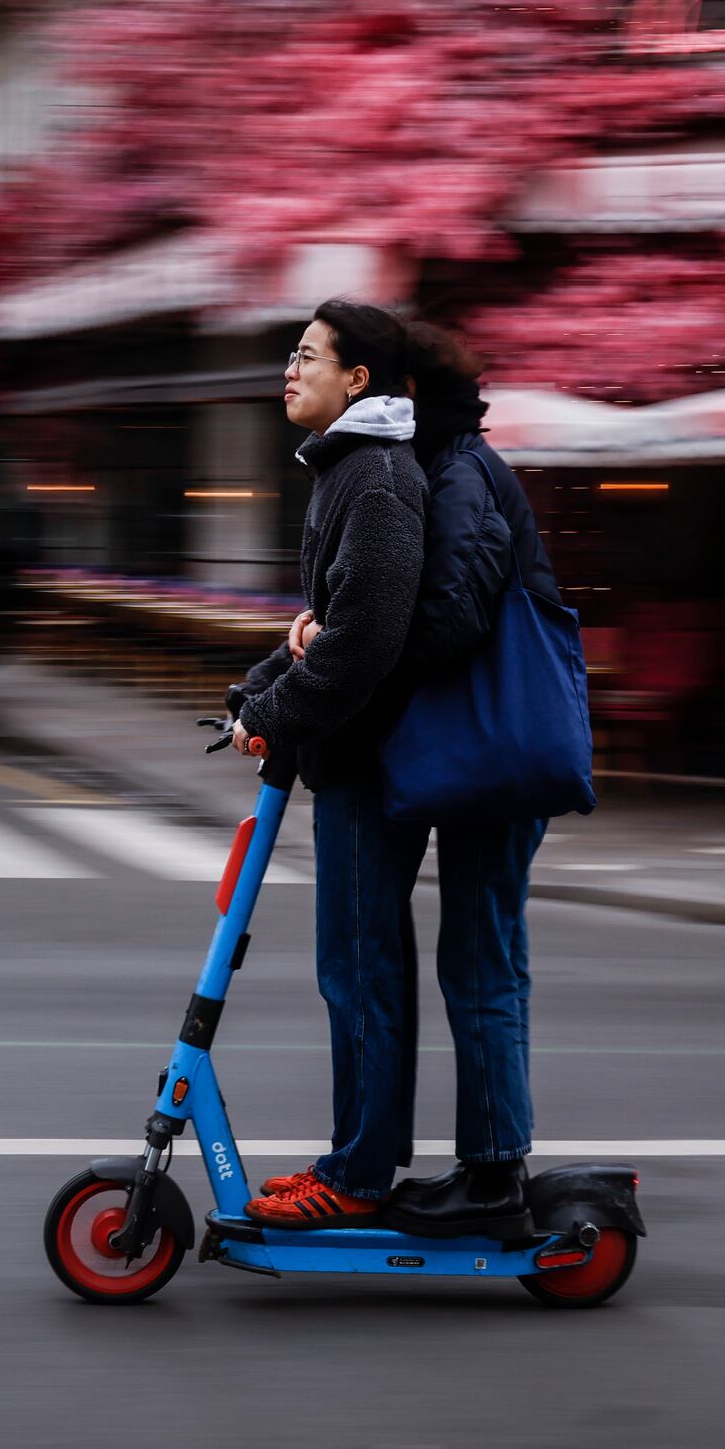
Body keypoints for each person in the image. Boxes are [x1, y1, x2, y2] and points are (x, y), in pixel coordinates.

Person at [225, 306, 556, 1235]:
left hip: (496, 744)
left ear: (382, 384)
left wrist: (298, 686)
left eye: (310, 356)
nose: (291, 370)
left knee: (464, 962)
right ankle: (466, 1167)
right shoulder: (415, 469)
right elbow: (361, 615)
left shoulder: (436, 477)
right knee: (463, 961)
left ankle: (472, 1174)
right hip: (474, 744)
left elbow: (418, 625)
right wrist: (285, 669)